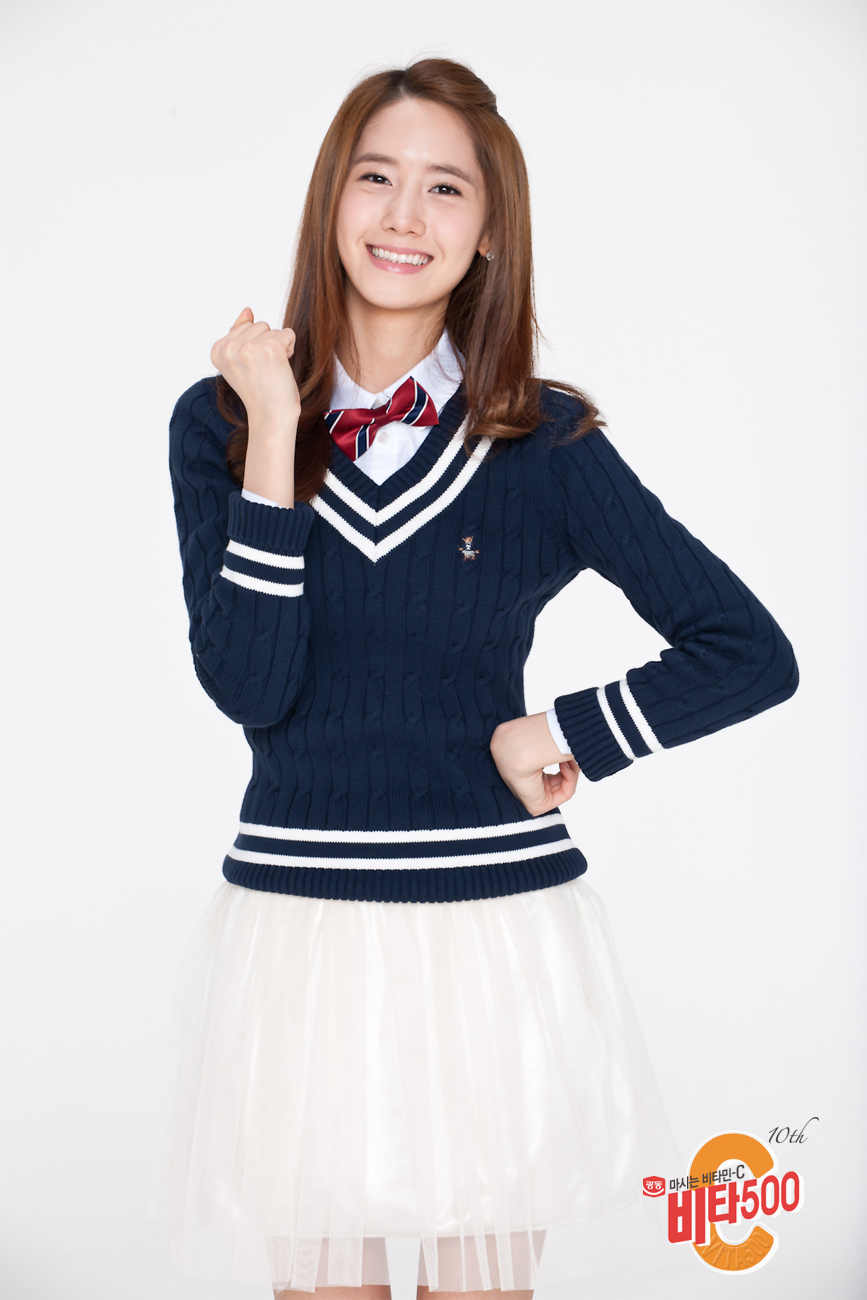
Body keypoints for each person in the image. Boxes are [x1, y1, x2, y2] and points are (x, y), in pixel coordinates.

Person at [151, 57, 798, 1300]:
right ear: (330, 199)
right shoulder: (220, 421)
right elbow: (250, 687)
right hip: (299, 928)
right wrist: (276, 430)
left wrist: (567, 731)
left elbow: (748, 649)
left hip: (492, 932)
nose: (405, 216)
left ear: (491, 228)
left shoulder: (543, 438)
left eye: (446, 188)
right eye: (375, 178)